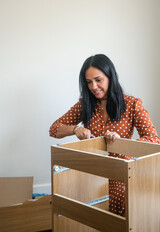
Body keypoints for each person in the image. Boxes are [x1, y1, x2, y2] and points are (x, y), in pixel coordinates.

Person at [49, 54, 160, 216]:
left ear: (110, 77)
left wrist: (121, 143)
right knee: (80, 211)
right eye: (88, 82)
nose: (93, 86)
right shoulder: (85, 104)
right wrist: (75, 129)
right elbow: (54, 129)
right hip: (92, 174)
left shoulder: (132, 104)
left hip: (122, 174)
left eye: (98, 80)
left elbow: (154, 140)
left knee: (118, 212)